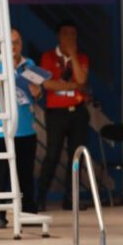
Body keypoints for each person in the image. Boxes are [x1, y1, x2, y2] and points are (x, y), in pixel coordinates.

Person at [0, 28, 44, 228]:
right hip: (2, 129)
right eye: (9, 42)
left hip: (26, 127)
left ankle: (27, 211)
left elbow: (37, 93)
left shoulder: (29, 65)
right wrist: (5, 67)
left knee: (25, 173)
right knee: (0, 174)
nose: (13, 46)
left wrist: (37, 91)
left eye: (16, 42)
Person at [36, 21, 89, 211]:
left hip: (78, 112)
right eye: (66, 34)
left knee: (76, 156)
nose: (70, 38)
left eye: (73, 34)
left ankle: (71, 199)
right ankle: (40, 197)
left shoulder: (81, 57)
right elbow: (47, 85)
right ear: (59, 36)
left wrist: (73, 55)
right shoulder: (48, 57)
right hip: (56, 113)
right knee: (52, 155)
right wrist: (71, 86)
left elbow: (82, 80)